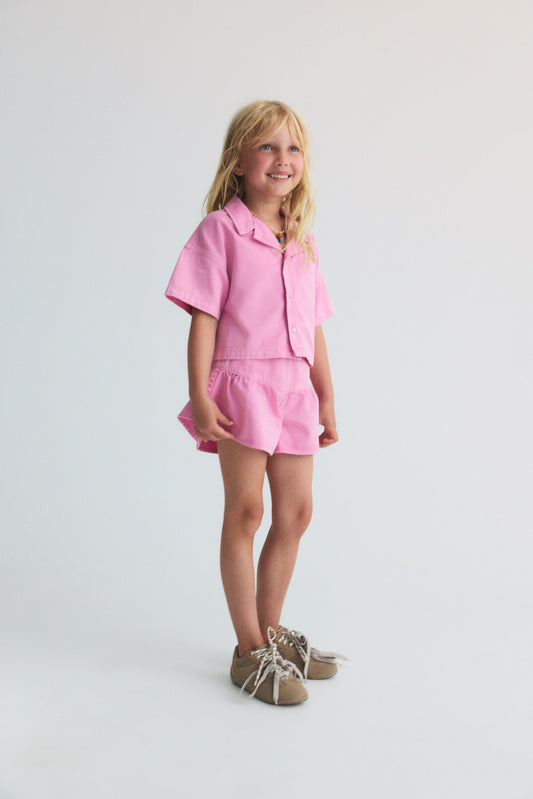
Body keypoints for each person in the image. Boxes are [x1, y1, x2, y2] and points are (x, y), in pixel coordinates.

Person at [165, 100, 346, 705]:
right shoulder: (220, 231)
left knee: (296, 514)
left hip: (295, 389)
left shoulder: (303, 240)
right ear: (237, 161)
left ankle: (272, 634)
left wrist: (326, 395)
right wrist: (200, 393)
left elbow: (313, 326)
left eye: (293, 148)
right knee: (245, 512)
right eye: (267, 146)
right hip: (243, 384)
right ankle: (248, 652)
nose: (282, 159)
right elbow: (204, 318)